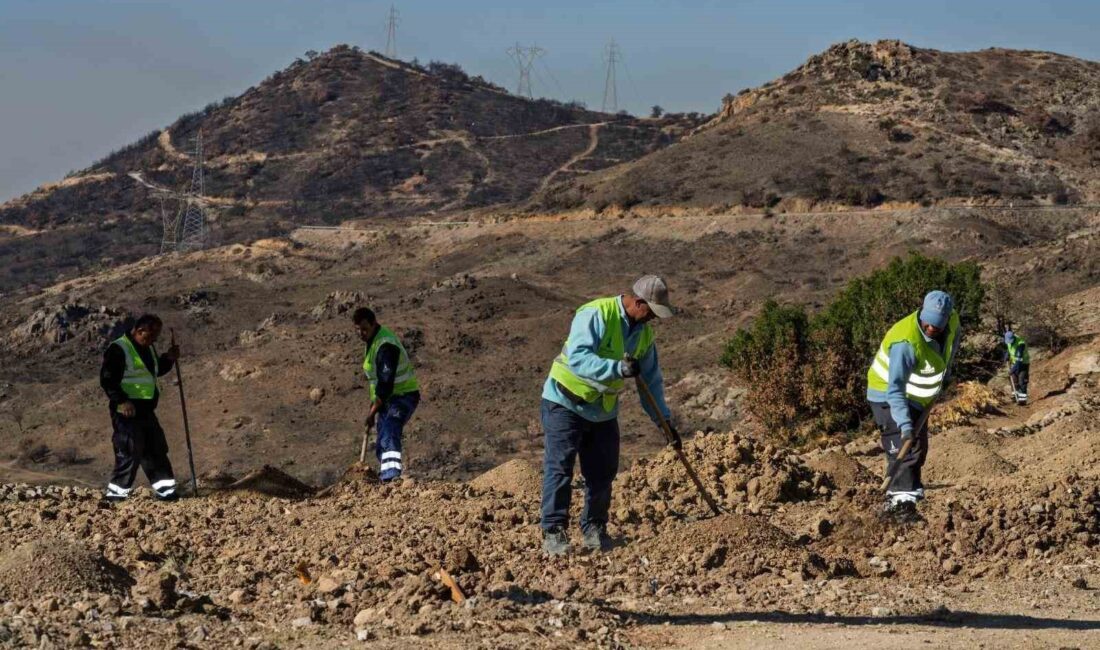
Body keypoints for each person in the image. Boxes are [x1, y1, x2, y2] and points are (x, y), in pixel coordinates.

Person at [540, 275, 679, 555]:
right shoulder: (596, 313)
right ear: (638, 302)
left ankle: (594, 527)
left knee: (603, 472)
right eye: (650, 312)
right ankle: (554, 531)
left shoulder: (644, 335)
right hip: (565, 400)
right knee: (560, 468)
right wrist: (617, 369)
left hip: (602, 410)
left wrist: (664, 422)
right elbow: (578, 358)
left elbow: (651, 382)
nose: (652, 318)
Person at [866, 290, 960, 518]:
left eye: (936, 326)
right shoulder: (906, 343)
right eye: (927, 323)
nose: (930, 328)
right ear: (921, 313)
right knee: (902, 449)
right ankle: (900, 507)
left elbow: (954, 339)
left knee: (917, 449)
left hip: (917, 397)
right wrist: (905, 425)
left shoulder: (953, 320)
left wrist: (946, 371)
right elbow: (894, 389)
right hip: (887, 396)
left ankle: (908, 497)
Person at [100, 314, 181, 502]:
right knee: (130, 450)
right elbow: (107, 379)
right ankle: (115, 497)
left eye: (155, 337)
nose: (153, 340)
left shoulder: (147, 347)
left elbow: (154, 370)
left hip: (146, 410)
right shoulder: (119, 349)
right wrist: (121, 401)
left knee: (156, 449)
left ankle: (167, 493)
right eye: (150, 336)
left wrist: (168, 358)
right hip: (126, 411)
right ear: (139, 330)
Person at [353, 307, 420, 482]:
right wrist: (373, 406)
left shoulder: (385, 346)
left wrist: (372, 412)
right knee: (382, 438)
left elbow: (386, 383)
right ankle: (385, 477)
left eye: (364, 329)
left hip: (403, 395)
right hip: (385, 399)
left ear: (374, 323)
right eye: (358, 329)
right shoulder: (372, 341)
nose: (361, 333)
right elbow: (376, 382)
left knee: (390, 428)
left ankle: (391, 478)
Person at [1004, 330, 1030, 404]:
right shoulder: (1009, 341)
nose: (1009, 342)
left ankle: (1022, 400)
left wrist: (1012, 370)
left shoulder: (1020, 344)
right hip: (1015, 362)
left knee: (1022, 381)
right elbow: (1009, 348)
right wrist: (1007, 354)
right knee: (1013, 380)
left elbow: (1019, 361)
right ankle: (1015, 396)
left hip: (1023, 363)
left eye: (1010, 341)